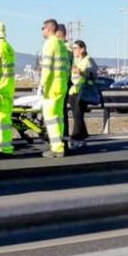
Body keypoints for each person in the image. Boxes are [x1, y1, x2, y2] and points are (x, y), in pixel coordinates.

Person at [39, 19, 71, 157]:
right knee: (59, 117)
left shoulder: (49, 44)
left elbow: (46, 68)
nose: (42, 31)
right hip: (62, 84)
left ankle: (56, 148)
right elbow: (67, 68)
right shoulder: (61, 45)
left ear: (49, 29)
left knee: (50, 117)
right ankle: (60, 145)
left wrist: (41, 85)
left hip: (52, 86)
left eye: (43, 28)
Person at [0, 21, 17, 158]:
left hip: (0, 87)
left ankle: (5, 148)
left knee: (2, 119)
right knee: (7, 118)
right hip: (9, 86)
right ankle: (7, 146)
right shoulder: (9, 47)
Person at [68, 40, 97, 149]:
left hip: (83, 92)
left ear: (82, 49)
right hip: (73, 91)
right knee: (77, 115)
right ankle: (83, 137)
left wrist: (82, 72)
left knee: (78, 115)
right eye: (73, 48)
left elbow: (93, 76)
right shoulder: (73, 60)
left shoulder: (88, 60)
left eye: (75, 48)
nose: (73, 50)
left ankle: (76, 139)